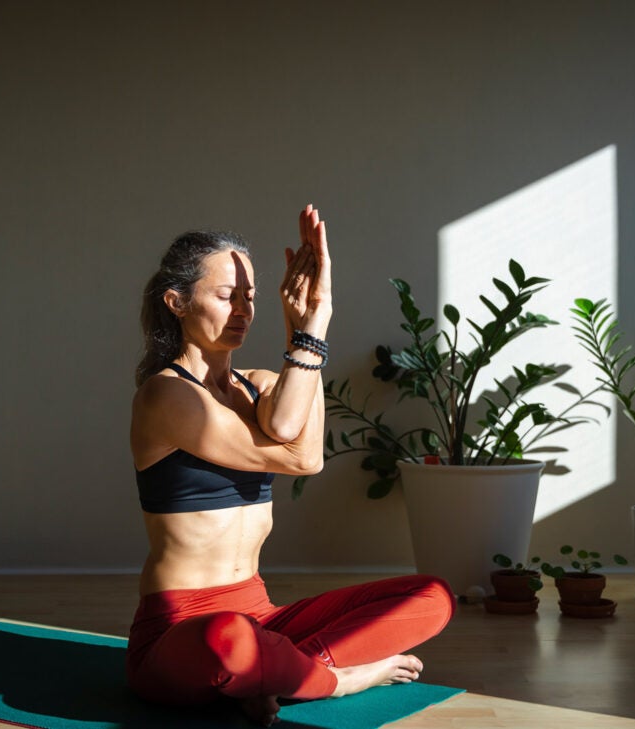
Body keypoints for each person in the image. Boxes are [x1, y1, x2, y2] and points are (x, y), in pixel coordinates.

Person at [127, 205, 455, 726]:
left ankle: (278, 675)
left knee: (430, 596)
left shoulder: (259, 383)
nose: (242, 309)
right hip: (181, 627)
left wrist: (312, 322)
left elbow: (292, 434)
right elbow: (302, 457)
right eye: (224, 295)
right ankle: (336, 679)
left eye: (250, 297)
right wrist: (302, 351)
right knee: (227, 641)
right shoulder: (165, 395)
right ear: (177, 301)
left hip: (261, 615)